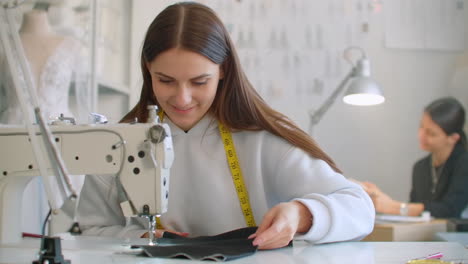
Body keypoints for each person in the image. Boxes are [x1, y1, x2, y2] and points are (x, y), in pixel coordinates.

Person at [77, 2, 374, 250]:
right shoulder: (116, 144)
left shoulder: (262, 141)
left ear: (223, 71)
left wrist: (302, 215)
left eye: (199, 82)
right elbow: (89, 233)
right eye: (165, 80)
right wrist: (137, 236)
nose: (182, 98)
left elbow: (359, 208)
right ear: (147, 71)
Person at [362, 97, 468, 218]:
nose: (421, 135)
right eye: (421, 126)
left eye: (431, 133)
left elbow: (449, 210)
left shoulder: (464, 164)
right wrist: (386, 202)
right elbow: (415, 211)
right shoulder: (420, 167)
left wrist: (393, 206)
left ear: (453, 138)